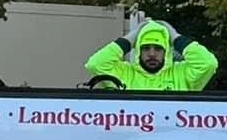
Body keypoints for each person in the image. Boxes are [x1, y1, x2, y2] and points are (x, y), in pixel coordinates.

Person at [84, 18, 218, 93]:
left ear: (166, 52)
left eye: (158, 49)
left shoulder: (181, 74)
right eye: (146, 48)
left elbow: (208, 63)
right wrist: (130, 38)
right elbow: (95, 64)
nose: (152, 54)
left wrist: (175, 37)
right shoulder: (123, 73)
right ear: (137, 51)